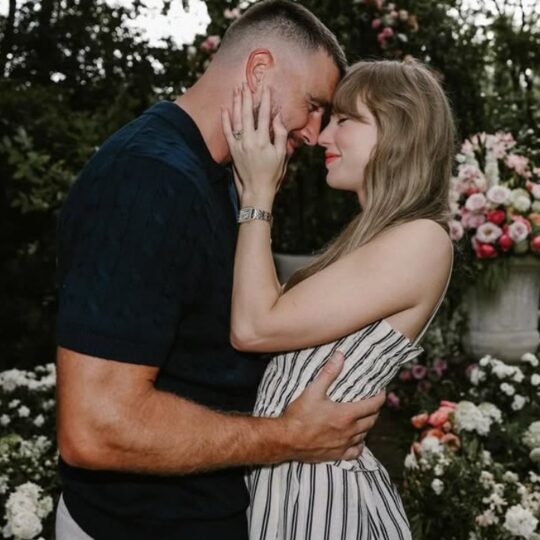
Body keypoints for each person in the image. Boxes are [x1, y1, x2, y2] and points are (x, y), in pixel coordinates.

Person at [54, 2, 387, 539]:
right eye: (313, 106)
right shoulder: (149, 179)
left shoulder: (221, 177)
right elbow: (96, 427)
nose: (314, 133)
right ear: (259, 70)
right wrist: (289, 436)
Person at [223, 59, 455, 539]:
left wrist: (258, 198)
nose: (323, 137)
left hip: (321, 498)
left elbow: (253, 327)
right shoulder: (371, 240)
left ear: (397, 130)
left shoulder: (423, 240)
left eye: (344, 120)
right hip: (290, 480)